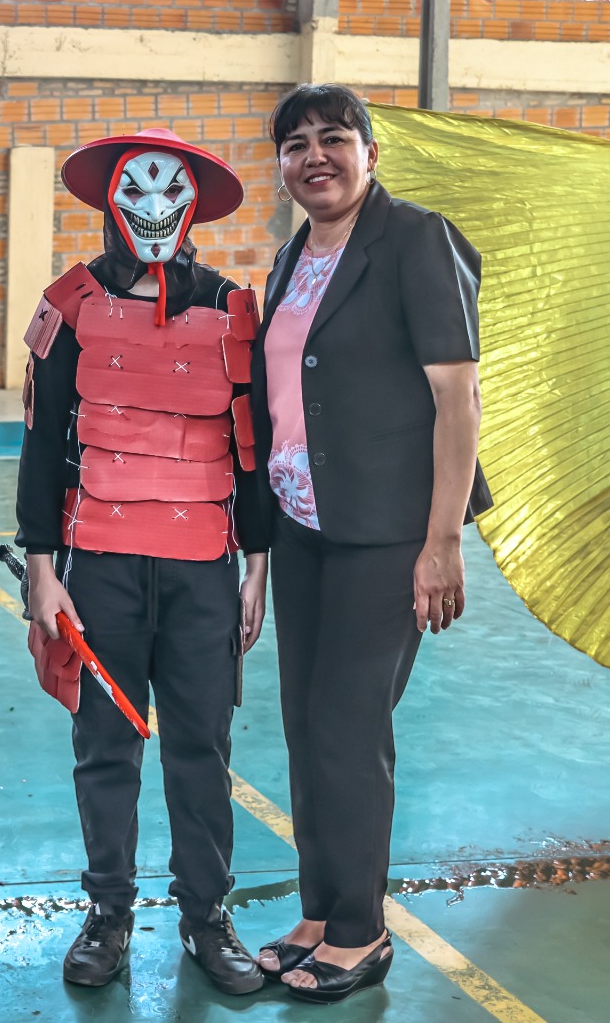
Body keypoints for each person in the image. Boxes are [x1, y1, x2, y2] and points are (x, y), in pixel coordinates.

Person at [15, 129, 268, 996]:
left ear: (193, 201)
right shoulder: (70, 304)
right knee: (106, 745)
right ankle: (108, 913)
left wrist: (257, 565)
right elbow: (44, 446)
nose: (154, 210)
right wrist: (41, 570)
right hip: (101, 570)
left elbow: (251, 449)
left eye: (170, 193)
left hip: (203, 568)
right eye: (137, 192)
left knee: (202, 746)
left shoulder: (233, 308)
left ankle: (207, 916)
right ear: (110, 200)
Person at [250, 83, 489, 1004]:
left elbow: (455, 397)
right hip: (306, 527)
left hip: (387, 536)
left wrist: (441, 542)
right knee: (308, 728)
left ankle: (361, 932)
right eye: (296, 143)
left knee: (351, 726)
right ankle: (319, 910)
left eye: (335, 138)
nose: (316, 155)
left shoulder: (415, 240)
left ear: (370, 152)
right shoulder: (287, 260)